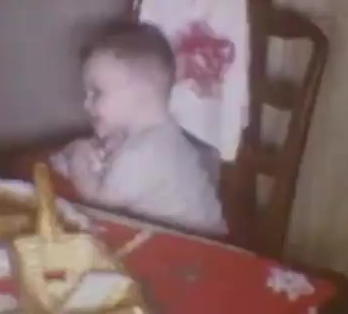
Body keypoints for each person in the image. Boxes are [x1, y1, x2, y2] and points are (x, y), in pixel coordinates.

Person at [50, 21, 226, 235]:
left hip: (200, 250)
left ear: (140, 94)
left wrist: (77, 156)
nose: (85, 105)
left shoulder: (143, 152)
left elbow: (97, 203)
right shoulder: (161, 134)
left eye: (96, 93)